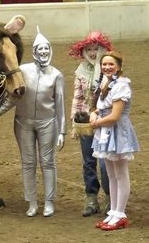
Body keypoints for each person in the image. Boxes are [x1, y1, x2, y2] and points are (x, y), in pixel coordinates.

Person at [0, 26, 66, 217]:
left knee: (48, 162)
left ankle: (49, 201)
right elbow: (12, 97)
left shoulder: (56, 75)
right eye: (40, 49)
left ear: (50, 50)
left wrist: (62, 131)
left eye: (46, 49)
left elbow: (60, 106)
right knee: (28, 163)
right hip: (23, 122)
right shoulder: (22, 70)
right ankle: (31, 202)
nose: (43, 52)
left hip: (48, 122)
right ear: (34, 51)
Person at [90, 51, 139, 230]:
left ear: (118, 66)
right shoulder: (107, 83)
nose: (107, 67)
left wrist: (96, 123)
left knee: (120, 173)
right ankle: (114, 211)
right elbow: (100, 107)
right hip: (106, 132)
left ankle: (120, 213)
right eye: (104, 64)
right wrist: (93, 113)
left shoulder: (121, 86)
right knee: (111, 174)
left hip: (117, 132)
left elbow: (115, 116)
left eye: (111, 64)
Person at [68, 31, 112, 217]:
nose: (93, 53)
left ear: (102, 49)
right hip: (86, 122)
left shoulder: (109, 68)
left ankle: (112, 198)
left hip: (105, 121)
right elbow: (78, 97)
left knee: (105, 163)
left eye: (96, 49)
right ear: (84, 51)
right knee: (89, 162)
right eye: (90, 49)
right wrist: (75, 123)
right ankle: (91, 197)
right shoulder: (81, 71)